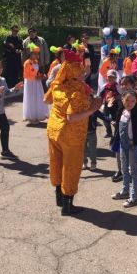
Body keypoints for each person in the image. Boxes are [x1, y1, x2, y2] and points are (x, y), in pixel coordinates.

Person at [44, 50, 103, 216]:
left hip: (53, 130)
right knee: (71, 167)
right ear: (73, 72)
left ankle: (59, 198)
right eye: (80, 70)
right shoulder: (77, 91)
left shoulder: (57, 85)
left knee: (56, 163)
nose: (84, 72)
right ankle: (67, 206)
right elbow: (72, 118)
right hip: (71, 135)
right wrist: (92, 109)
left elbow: (46, 100)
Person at [112, 90, 137, 208]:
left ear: (136, 101)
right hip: (123, 145)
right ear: (122, 100)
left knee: (134, 171)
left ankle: (133, 197)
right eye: (127, 100)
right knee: (124, 169)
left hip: (134, 146)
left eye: (133, 101)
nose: (129, 103)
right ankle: (125, 191)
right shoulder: (121, 111)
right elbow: (118, 125)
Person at [23, 43, 50, 123]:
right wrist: (36, 77)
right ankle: (31, 117)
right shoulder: (27, 62)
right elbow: (26, 75)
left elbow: (36, 72)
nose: (37, 55)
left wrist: (40, 75)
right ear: (30, 53)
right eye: (35, 54)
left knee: (37, 98)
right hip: (30, 83)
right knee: (31, 98)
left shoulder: (36, 61)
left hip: (36, 83)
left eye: (38, 54)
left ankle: (37, 115)